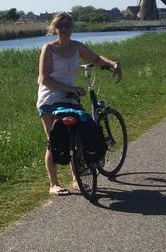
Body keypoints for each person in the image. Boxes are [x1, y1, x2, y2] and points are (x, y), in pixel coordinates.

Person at [37, 12, 122, 195]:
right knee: (55, 140)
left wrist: (113, 64)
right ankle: (54, 184)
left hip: (69, 96)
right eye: (60, 26)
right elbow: (44, 79)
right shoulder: (49, 49)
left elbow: (96, 59)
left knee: (78, 138)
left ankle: (76, 179)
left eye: (68, 25)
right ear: (54, 29)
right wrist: (70, 87)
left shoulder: (77, 47)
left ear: (72, 27)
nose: (65, 29)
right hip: (50, 99)